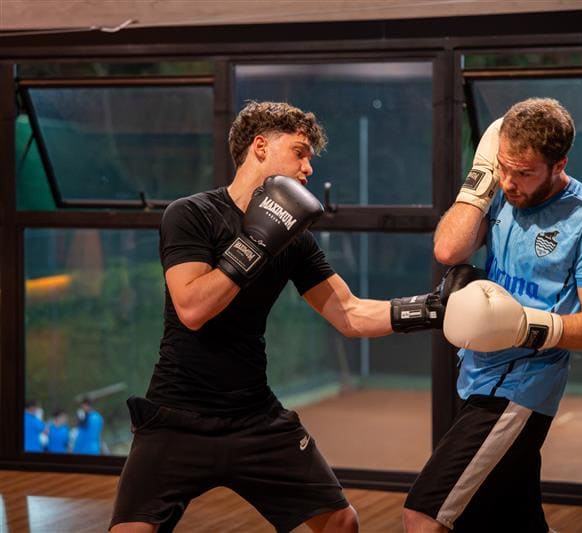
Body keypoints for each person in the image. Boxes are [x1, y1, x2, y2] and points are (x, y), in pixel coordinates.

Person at [109, 101, 471, 533]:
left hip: (254, 416)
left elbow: (350, 313)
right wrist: (255, 242)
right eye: (300, 153)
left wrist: (433, 308)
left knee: (342, 524)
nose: (308, 168)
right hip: (176, 416)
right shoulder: (191, 214)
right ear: (260, 147)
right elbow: (192, 309)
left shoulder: (294, 239)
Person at [403, 98, 582, 533]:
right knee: (508, 521)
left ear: (559, 165)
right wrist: (480, 180)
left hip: (521, 388)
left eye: (524, 173)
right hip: (476, 373)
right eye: (503, 167)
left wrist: (525, 326)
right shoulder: (501, 194)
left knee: (424, 514)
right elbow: (448, 249)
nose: (509, 182)